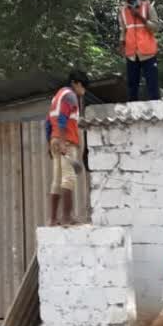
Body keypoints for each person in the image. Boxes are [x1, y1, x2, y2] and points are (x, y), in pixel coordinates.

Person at [46, 70, 90, 226]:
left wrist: (50, 142)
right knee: (68, 178)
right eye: (83, 87)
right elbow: (63, 120)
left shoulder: (57, 96)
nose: (83, 91)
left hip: (54, 140)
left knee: (56, 180)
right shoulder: (70, 96)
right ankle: (66, 217)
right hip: (67, 141)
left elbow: (48, 122)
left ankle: (52, 219)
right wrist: (64, 142)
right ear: (76, 83)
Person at [118, 0, 160, 101]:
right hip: (131, 53)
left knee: (152, 84)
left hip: (148, 52)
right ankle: (132, 111)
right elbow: (123, 30)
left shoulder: (147, 7)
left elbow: (156, 27)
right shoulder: (122, 11)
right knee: (132, 85)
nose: (129, 1)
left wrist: (141, 17)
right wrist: (121, 44)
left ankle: (156, 109)